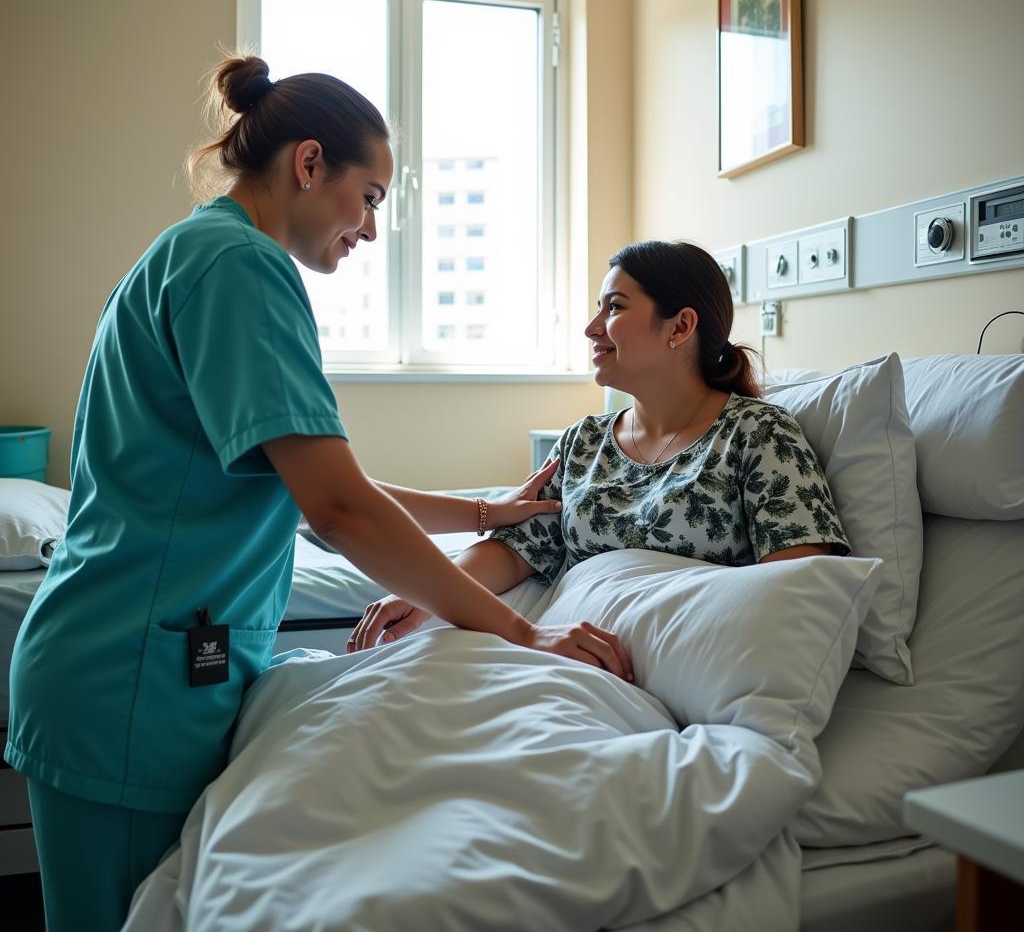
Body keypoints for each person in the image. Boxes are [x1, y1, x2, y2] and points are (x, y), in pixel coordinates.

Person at [4, 54, 629, 932]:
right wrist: (527, 634)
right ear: (308, 165)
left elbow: (316, 489)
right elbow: (338, 510)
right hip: (128, 681)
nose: (371, 229)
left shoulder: (196, 251)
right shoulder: (240, 270)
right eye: (369, 197)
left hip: (122, 667)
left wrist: (486, 513)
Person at [350, 239, 851, 650]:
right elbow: (516, 549)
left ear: (681, 326)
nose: (592, 329)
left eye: (614, 308)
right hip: (574, 657)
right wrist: (429, 592)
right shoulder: (583, 443)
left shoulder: (760, 436)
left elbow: (796, 589)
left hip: (685, 663)